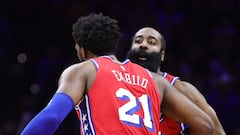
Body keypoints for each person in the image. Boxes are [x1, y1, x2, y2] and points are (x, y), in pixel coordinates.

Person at [20, 13, 214, 135]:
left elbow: (51, 117)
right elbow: (205, 124)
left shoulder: (84, 70)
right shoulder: (156, 81)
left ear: (82, 51)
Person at [127, 27, 226, 135]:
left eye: (151, 42)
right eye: (138, 41)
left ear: (162, 55)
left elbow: (217, 131)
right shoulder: (116, 81)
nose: (143, 45)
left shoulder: (181, 89)